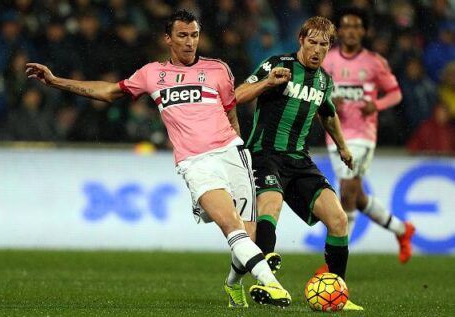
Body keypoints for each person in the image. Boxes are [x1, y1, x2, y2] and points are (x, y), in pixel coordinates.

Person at [26, 9, 291, 309]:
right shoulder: (152, 74)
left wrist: (240, 147)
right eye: (182, 35)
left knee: (248, 235)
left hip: (232, 153)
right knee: (230, 225)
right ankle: (272, 286)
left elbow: (230, 111)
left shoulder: (219, 69)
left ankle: (232, 284)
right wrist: (55, 80)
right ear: (168, 38)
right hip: (195, 161)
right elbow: (109, 92)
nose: (190, 42)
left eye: (194, 35)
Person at [235, 16, 363, 310]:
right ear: (301, 40)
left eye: (324, 44)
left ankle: (337, 294)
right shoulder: (277, 64)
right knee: (271, 205)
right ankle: (265, 282)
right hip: (264, 154)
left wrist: (343, 147)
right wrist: (268, 83)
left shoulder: (324, 81)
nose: (317, 50)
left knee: (339, 220)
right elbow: (238, 95)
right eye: (313, 42)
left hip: (300, 160)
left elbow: (327, 113)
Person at [322, 7, 415, 265]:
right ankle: (401, 230)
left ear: (363, 31)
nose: (351, 31)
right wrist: (330, 100)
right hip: (336, 134)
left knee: (347, 192)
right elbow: (318, 91)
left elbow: (395, 93)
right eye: (346, 27)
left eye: (356, 27)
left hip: (363, 134)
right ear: (339, 31)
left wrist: (377, 105)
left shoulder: (374, 62)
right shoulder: (328, 60)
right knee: (357, 196)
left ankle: (336, 261)